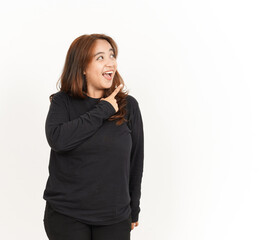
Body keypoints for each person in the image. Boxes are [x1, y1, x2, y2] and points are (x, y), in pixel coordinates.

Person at [42, 33, 144, 240]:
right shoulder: (63, 102)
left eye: (112, 55)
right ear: (82, 68)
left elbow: (135, 160)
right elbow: (58, 140)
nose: (110, 63)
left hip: (115, 216)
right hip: (66, 214)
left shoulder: (128, 106)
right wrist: (102, 110)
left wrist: (134, 207)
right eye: (100, 57)